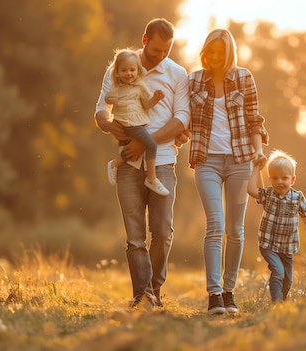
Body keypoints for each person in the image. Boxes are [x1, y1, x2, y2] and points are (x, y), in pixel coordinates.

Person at [94, 18, 190, 309]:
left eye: (166, 51)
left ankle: (155, 289)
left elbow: (182, 118)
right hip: (128, 166)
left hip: (162, 163)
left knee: (162, 232)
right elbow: (101, 109)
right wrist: (109, 126)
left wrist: (144, 140)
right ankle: (144, 296)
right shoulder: (122, 67)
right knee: (135, 237)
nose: (160, 56)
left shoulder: (177, 73)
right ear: (144, 40)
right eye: (156, 50)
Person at [188, 28, 268, 315]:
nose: (215, 57)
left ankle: (229, 291)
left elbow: (254, 119)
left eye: (221, 52)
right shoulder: (194, 80)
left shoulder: (244, 78)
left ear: (229, 52)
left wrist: (258, 150)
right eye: (211, 51)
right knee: (215, 226)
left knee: (235, 230)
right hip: (206, 160)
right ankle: (213, 295)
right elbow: (183, 117)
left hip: (240, 162)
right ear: (205, 52)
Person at [246, 149, 306, 303]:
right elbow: (251, 189)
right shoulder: (268, 195)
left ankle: (283, 300)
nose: (280, 181)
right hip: (269, 244)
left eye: (284, 178)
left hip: (287, 246)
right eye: (275, 178)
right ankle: (276, 301)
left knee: (288, 280)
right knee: (278, 271)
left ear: (292, 179)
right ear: (270, 179)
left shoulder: (297, 197)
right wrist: (255, 169)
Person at [105, 48, 169, 196]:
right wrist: (117, 96)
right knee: (151, 144)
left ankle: (114, 164)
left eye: (132, 70)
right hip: (127, 124)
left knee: (133, 152)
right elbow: (108, 98)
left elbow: (147, 104)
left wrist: (156, 98)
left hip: (138, 123)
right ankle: (151, 178)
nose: (128, 73)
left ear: (137, 70)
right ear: (117, 72)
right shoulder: (117, 89)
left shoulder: (140, 86)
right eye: (124, 70)